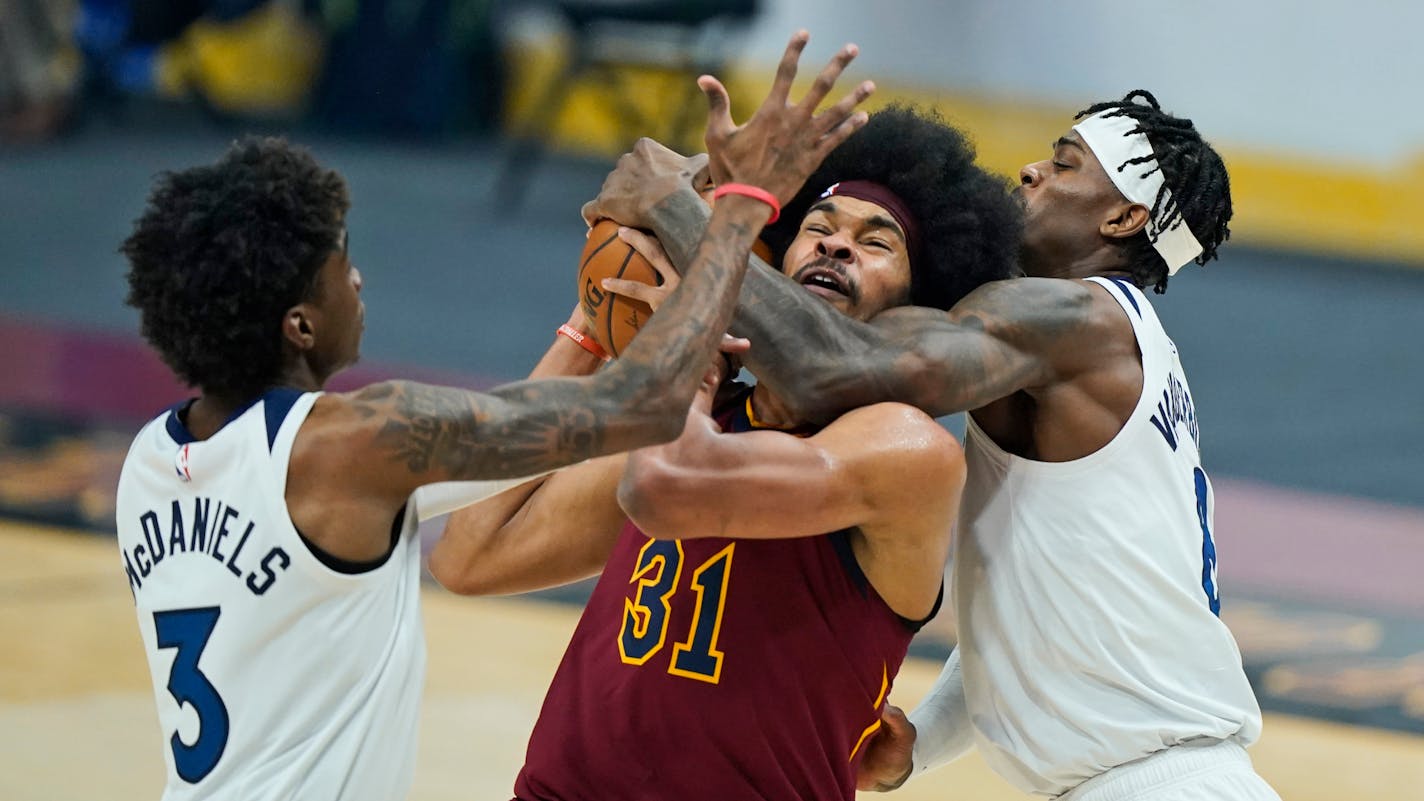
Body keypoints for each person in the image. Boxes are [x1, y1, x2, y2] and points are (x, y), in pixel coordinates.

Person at [112, 30, 873, 801]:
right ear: (299, 324)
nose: (359, 277)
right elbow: (639, 404)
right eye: (341, 263)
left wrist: (598, 306)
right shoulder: (359, 442)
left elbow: (494, 508)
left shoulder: (149, 460)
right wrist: (740, 208)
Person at [583, 90, 1281, 801]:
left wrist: (685, 214)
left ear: (1124, 217)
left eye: (1065, 165)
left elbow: (832, 370)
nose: (1031, 171)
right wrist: (924, 738)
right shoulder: (1122, 350)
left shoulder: (1070, 315)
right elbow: (1034, 608)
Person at [431, 105, 1023, 801]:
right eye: (817, 231)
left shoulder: (906, 449)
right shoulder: (704, 417)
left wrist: (687, 335)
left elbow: (669, 486)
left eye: (875, 242)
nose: (834, 248)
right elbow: (468, 553)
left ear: (918, 310)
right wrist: (595, 316)